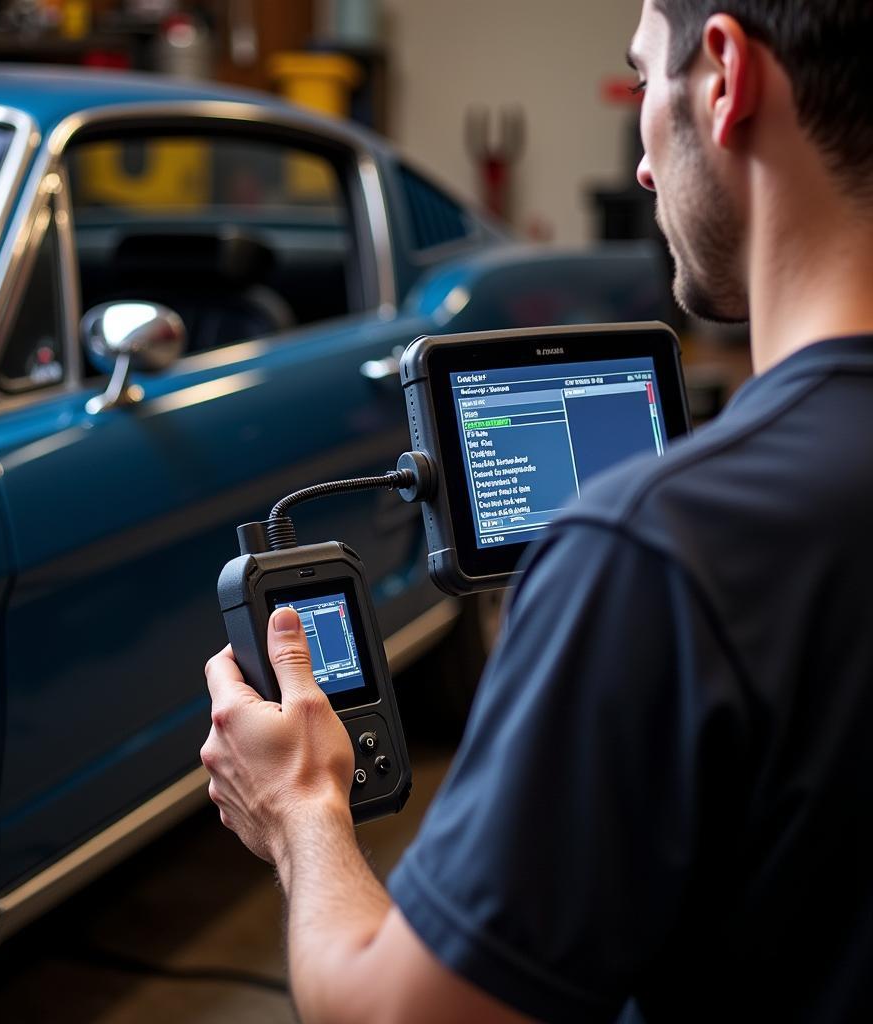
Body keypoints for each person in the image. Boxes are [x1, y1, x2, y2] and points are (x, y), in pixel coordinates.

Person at [201, 1, 873, 1020]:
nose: (643, 166)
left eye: (645, 77)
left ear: (725, 77)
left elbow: (401, 1014)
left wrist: (299, 809)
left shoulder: (655, 547)